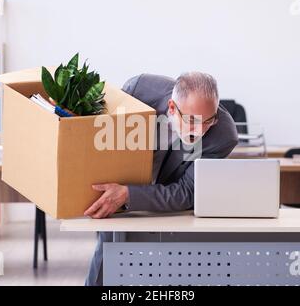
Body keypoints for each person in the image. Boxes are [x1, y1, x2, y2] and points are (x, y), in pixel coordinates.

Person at [84, 72, 238, 285]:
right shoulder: (140, 91)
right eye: (192, 121)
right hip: (124, 177)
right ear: (172, 108)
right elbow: (102, 135)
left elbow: (187, 192)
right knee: (109, 249)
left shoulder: (222, 135)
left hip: (167, 196)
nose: (201, 131)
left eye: (208, 121)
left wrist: (129, 195)